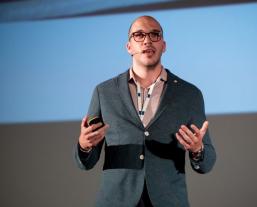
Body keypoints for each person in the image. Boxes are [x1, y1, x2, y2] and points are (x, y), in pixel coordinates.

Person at [74, 15, 217, 207]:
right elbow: (86, 163)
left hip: (168, 200)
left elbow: (206, 164)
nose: (147, 40)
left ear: (164, 46)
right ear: (129, 47)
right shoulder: (104, 92)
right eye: (139, 35)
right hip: (116, 200)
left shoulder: (189, 94)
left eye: (154, 35)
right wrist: (84, 145)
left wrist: (198, 150)